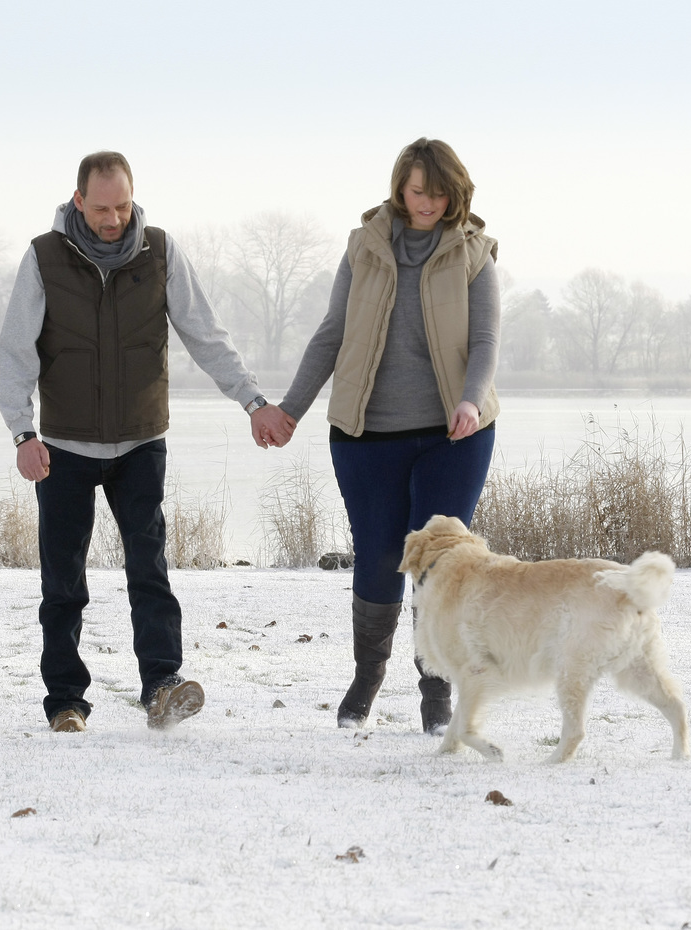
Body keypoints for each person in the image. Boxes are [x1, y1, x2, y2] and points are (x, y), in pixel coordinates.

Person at [0, 151, 295, 734]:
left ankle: (162, 685)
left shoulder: (159, 251)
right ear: (78, 201)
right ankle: (65, 702)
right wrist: (23, 432)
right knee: (63, 581)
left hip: (140, 442)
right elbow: (15, 351)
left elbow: (204, 334)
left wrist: (253, 401)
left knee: (149, 568)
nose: (113, 219)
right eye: (102, 208)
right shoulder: (44, 257)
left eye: (123, 206)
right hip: (63, 445)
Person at [276, 138, 501, 735]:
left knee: (438, 563)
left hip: (453, 435)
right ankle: (368, 674)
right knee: (377, 556)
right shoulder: (365, 247)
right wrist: (291, 410)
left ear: (456, 193)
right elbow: (332, 332)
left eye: (439, 191)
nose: (427, 202)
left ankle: (436, 690)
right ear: (400, 187)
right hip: (367, 433)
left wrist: (470, 402)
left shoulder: (474, 253)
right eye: (418, 189)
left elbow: (485, 344)